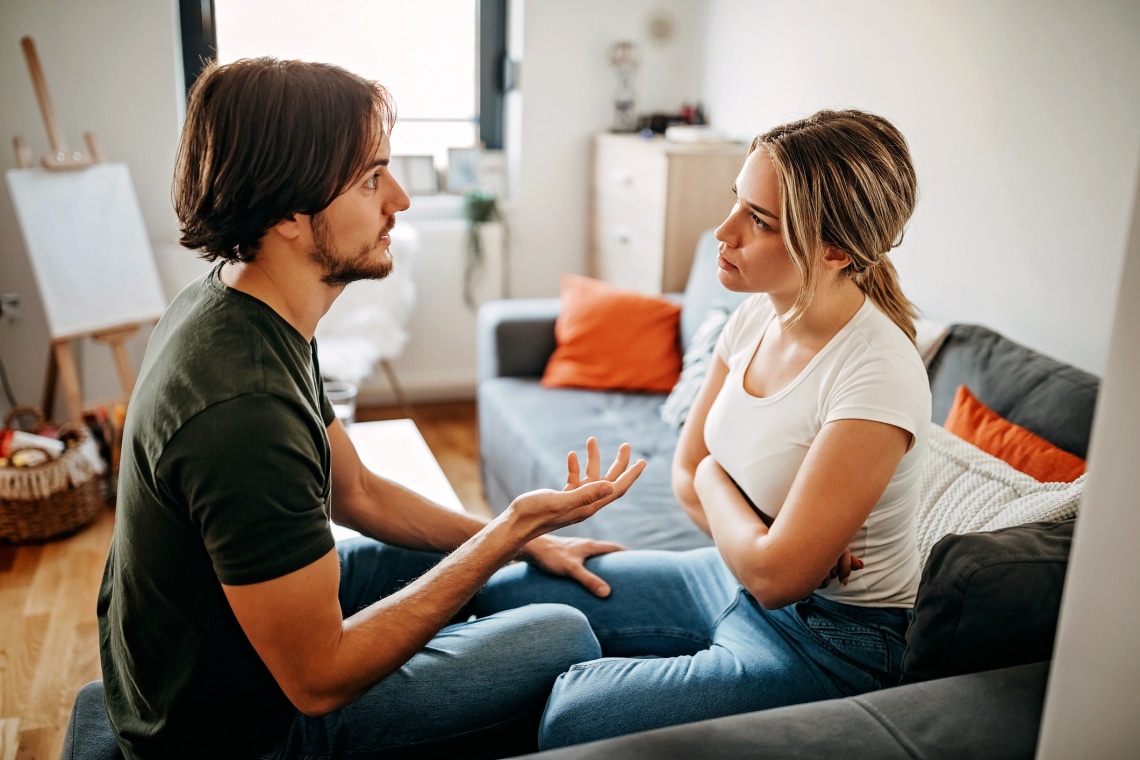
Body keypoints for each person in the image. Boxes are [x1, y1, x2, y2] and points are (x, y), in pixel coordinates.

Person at [95, 57, 646, 760]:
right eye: (370, 179)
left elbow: (352, 489)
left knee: (476, 566)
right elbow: (319, 682)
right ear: (287, 213)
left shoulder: (243, 305)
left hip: (218, 652)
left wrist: (520, 539)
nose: (401, 200)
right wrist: (507, 529)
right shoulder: (244, 409)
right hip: (236, 734)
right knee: (563, 633)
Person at [472, 108, 932, 748]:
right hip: (724, 571)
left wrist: (727, 486)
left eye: (759, 220)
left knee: (576, 712)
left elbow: (772, 575)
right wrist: (761, 531)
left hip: (834, 640)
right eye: (736, 203)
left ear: (836, 250)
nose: (723, 231)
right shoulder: (750, 319)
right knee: (509, 594)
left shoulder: (876, 374)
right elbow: (685, 479)